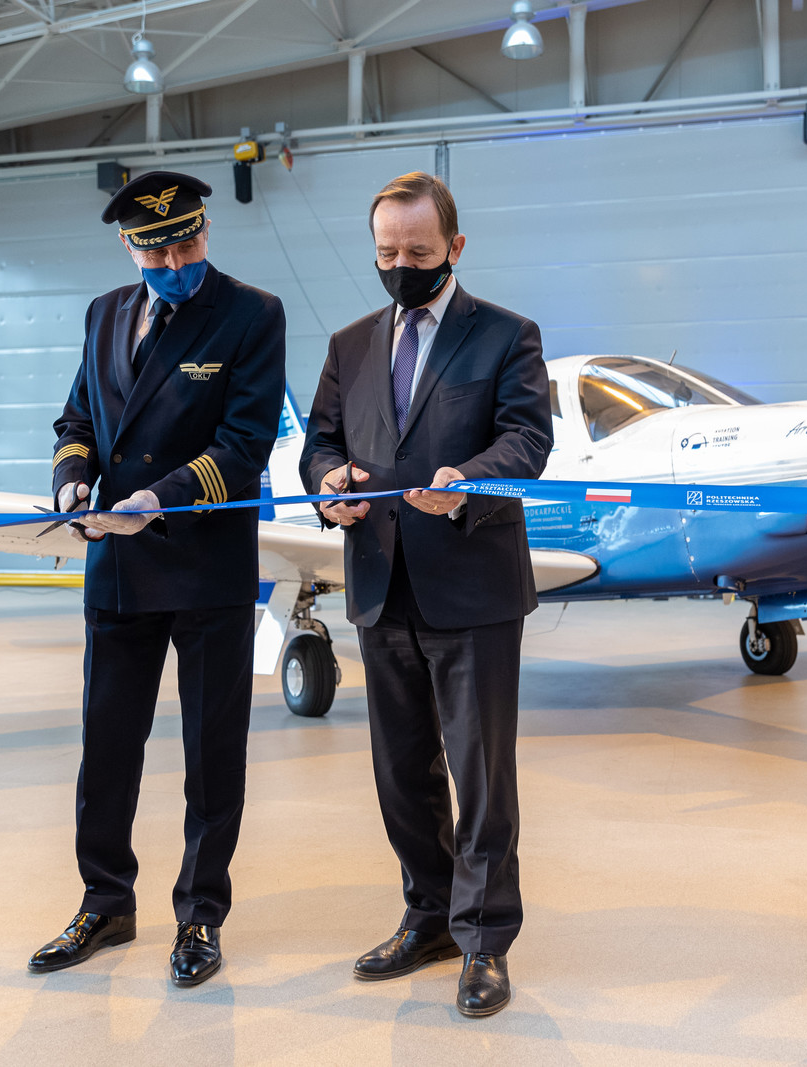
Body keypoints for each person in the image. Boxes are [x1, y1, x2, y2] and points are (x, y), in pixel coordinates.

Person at [299, 171, 551, 1017]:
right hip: (380, 583)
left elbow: (527, 439)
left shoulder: (507, 335)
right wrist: (327, 483)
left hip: (472, 583)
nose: (401, 266)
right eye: (387, 252)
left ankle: (485, 938)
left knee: (481, 774)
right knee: (401, 770)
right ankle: (430, 914)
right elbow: (320, 441)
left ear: (455, 247)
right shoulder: (350, 344)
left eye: (418, 250)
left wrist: (468, 481)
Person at [28, 170, 286, 988]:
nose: (177, 263)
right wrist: (73, 479)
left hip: (206, 560)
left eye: (188, 243)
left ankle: (200, 913)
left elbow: (244, 444)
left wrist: (157, 499)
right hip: (117, 562)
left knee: (212, 752)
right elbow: (77, 417)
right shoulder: (105, 312)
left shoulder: (251, 313)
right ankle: (104, 900)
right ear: (128, 247)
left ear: (206, 232)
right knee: (106, 745)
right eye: (158, 252)